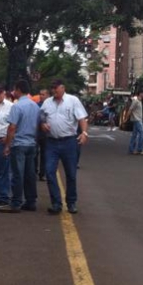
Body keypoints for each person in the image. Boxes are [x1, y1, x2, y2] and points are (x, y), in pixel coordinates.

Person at [41, 78, 89, 215]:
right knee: (49, 172)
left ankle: (71, 202)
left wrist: (84, 133)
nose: (54, 90)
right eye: (52, 88)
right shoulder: (47, 102)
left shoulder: (73, 101)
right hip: (51, 143)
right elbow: (42, 116)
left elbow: (82, 119)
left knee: (71, 174)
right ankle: (56, 203)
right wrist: (42, 124)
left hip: (69, 142)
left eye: (56, 88)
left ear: (63, 88)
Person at [0, 78, 40, 213]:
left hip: (19, 144)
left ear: (19, 90)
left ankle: (16, 202)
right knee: (30, 174)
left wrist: (7, 145)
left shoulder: (16, 106)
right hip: (31, 144)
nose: (13, 92)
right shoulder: (35, 106)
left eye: (15, 89)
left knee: (17, 174)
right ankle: (31, 201)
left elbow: (12, 127)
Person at [35, 87, 50, 180]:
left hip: (45, 133)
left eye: (43, 94)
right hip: (36, 132)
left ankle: (42, 173)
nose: (41, 96)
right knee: (34, 153)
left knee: (45, 154)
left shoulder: (50, 105)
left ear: (48, 95)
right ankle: (34, 171)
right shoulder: (36, 105)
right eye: (40, 94)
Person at [126, 90, 143, 155]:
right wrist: (126, 118)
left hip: (138, 120)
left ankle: (131, 150)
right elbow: (130, 109)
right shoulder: (136, 101)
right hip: (137, 120)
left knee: (134, 136)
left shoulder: (139, 101)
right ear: (140, 94)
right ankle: (139, 150)